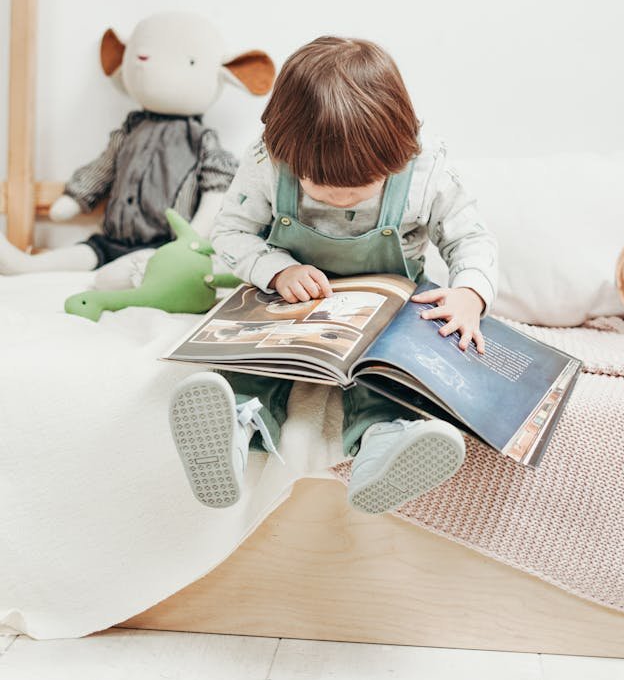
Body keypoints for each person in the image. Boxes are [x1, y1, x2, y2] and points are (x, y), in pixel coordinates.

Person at [168, 35, 498, 514]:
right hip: (291, 304)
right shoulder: (266, 164)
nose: (341, 199)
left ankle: (385, 445)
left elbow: (472, 238)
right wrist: (277, 270)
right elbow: (231, 232)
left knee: (388, 379)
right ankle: (234, 429)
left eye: (360, 188)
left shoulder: (427, 172)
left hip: (388, 310)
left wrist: (470, 293)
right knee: (258, 365)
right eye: (319, 186)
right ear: (284, 151)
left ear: (400, 150)